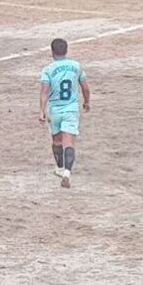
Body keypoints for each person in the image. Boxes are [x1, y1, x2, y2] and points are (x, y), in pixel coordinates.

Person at [39, 38, 90, 188]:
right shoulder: (77, 66)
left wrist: (41, 111)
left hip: (54, 110)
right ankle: (67, 172)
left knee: (56, 140)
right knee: (69, 143)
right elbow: (85, 88)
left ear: (52, 52)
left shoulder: (47, 70)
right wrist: (87, 102)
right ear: (66, 51)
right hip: (70, 109)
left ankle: (60, 168)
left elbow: (44, 91)